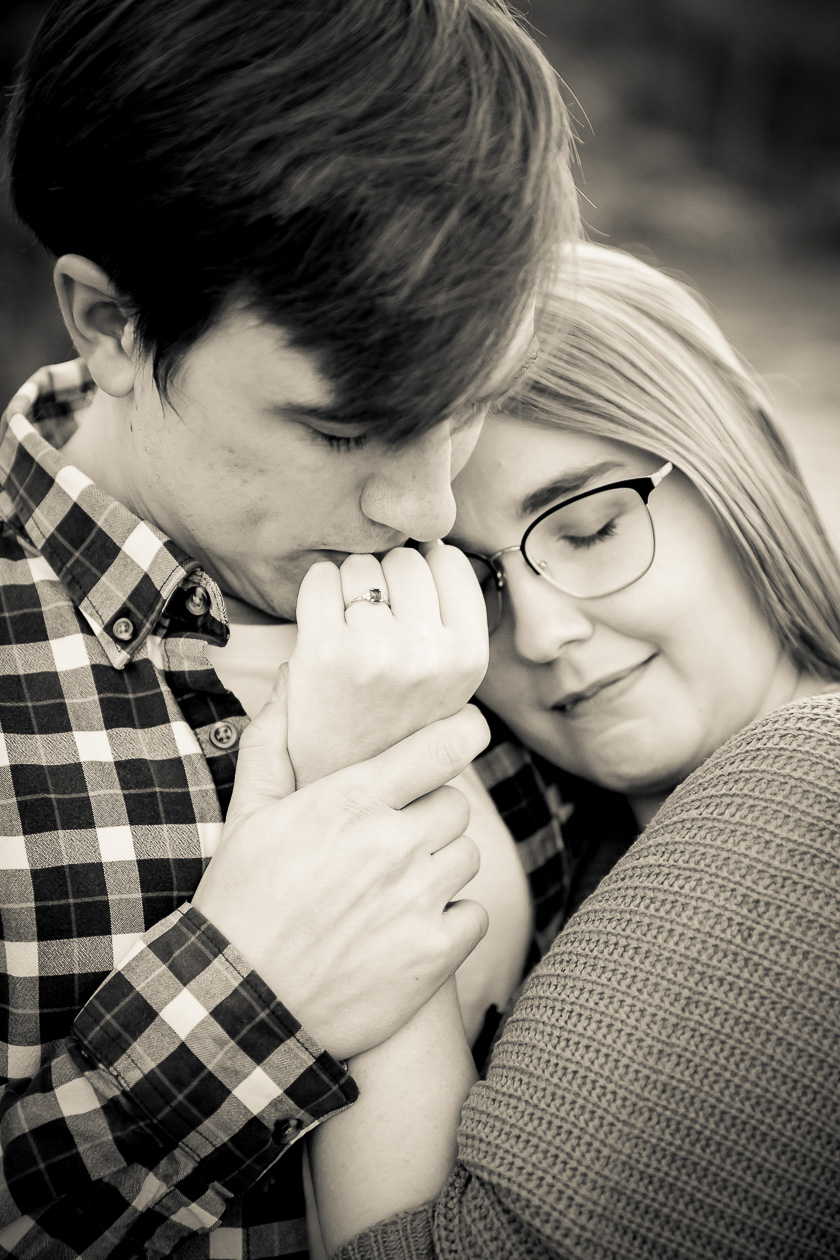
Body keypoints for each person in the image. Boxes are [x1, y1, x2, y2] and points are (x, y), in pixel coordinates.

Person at [0, 1, 578, 1255]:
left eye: (468, 404)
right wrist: (248, 997)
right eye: (337, 429)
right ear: (109, 323)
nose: (423, 506)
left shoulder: (523, 586)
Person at [304, 244, 840, 1259]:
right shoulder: (575, 835)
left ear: (737, 469)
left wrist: (362, 785)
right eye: (480, 586)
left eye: (590, 529)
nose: (544, 633)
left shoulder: (810, 780)